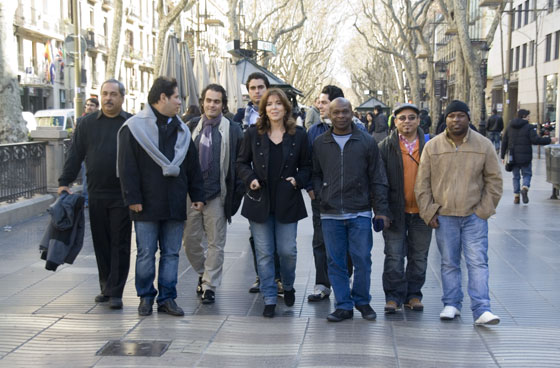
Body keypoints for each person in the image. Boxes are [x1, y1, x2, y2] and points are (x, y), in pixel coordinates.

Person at [117, 76, 205, 317]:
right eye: (177, 97)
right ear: (163, 98)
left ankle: (167, 298)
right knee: (146, 253)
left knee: (171, 253)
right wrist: (132, 198)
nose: (180, 102)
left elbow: (191, 165)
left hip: (175, 201)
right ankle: (145, 296)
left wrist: (197, 194)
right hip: (144, 203)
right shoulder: (134, 128)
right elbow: (127, 167)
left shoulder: (182, 130)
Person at [415, 100, 503, 325]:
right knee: (449, 262)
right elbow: (422, 183)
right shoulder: (433, 146)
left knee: (477, 262)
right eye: (452, 116)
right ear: (445, 119)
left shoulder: (483, 145)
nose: (456, 120)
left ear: (468, 118)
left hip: (474, 216)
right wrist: (428, 212)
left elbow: (494, 180)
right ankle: (451, 304)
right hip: (445, 215)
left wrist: (483, 210)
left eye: (460, 115)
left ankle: (482, 309)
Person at [312, 97, 390, 322]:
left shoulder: (366, 141)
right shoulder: (320, 143)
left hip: (360, 212)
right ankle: (343, 305)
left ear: (352, 112)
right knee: (335, 262)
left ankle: (362, 301)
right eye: (336, 112)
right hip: (330, 212)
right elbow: (315, 172)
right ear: (329, 114)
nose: (341, 116)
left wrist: (381, 210)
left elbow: (378, 176)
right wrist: (319, 192)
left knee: (362, 259)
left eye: (345, 112)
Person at [236, 88, 311, 318]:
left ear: (286, 107)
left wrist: (297, 180)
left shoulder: (298, 134)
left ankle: (287, 285)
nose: (274, 107)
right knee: (265, 252)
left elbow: (308, 167)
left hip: (287, 199)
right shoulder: (252, 133)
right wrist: (250, 180)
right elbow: (241, 163)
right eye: (270, 104)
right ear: (264, 109)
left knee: (287, 251)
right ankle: (269, 297)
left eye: (279, 103)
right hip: (260, 201)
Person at [58, 79, 132, 309]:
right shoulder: (86, 124)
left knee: (120, 243)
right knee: (101, 242)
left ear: (122, 97)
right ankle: (105, 287)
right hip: (97, 193)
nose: (108, 98)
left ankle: (117, 291)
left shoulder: (131, 124)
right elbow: (75, 154)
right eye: (105, 94)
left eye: (113, 94)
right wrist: (64, 181)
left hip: (123, 194)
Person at [182, 84, 244, 304]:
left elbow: (239, 164)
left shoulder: (233, 130)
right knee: (189, 241)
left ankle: (209, 285)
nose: (212, 105)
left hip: (218, 194)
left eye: (217, 101)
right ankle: (202, 272)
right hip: (191, 195)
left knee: (216, 243)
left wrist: (236, 195)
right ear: (202, 102)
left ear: (223, 104)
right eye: (208, 100)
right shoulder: (190, 127)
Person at [378, 103, 432, 314]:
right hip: (395, 212)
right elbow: (379, 182)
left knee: (419, 256)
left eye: (411, 117)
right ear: (395, 121)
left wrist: (434, 208)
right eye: (402, 118)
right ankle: (393, 297)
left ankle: (413, 295)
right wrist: (382, 211)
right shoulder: (384, 147)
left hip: (423, 212)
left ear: (418, 120)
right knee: (394, 256)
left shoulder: (430, 145)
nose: (407, 121)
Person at [233, 72, 282, 293]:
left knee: (279, 235)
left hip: (278, 187)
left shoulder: (279, 114)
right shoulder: (240, 118)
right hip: (252, 185)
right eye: (252, 88)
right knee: (257, 235)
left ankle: (278, 278)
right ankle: (262, 276)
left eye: (260, 87)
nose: (257, 91)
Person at [306, 84, 353, 303]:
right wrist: (311, 189)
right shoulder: (314, 130)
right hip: (322, 198)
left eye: (324, 102)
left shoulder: (357, 130)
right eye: (319, 102)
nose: (319, 105)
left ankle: (345, 280)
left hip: (349, 198)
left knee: (348, 243)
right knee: (320, 241)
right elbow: (307, 163)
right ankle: (322, 283)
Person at [500, 109, 557, 204]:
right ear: (523, 116)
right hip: (525, 156)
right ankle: (525, 187)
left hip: (512, 156)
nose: (529, 118)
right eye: (528, 116)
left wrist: (502, 156)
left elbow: (504, 141)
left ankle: (516, 196)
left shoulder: (510, 126)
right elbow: (535, 140)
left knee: (516, 176)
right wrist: (549, 140)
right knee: (527, 174)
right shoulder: (529, 127)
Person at [77, 97, 100, 207]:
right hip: (86, 154)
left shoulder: (100, 120)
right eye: (87, 105)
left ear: (97, 107)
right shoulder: (80, 120)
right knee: (86, 177)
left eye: (92, 105)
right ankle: (86, 199)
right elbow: (76, 138)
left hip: (98, 153)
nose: (89, 107)